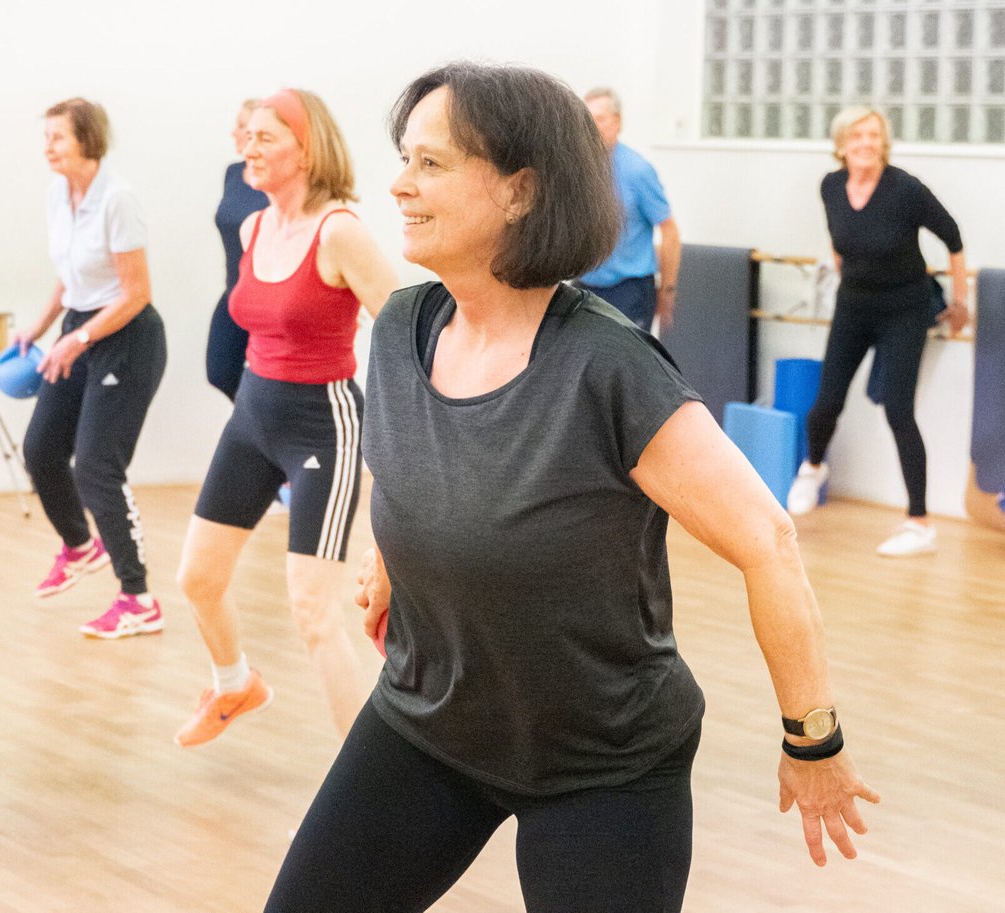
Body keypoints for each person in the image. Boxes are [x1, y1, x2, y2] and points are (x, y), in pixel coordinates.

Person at [264, 62, 878, 913]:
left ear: (520, 190)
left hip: (606, 763)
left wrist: (813, 739)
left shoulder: (609, 366)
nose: (399, 186)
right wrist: (390, 558)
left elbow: (768, 540)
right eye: (403, 159)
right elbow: (408, 470)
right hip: (429, 724)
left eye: (431, 164)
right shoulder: (402, 327)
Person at [173, 88, 396, 747]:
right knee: (198, 578)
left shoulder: (341, 231)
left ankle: (363, 797)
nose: (248, 147)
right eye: (246, 136)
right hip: (251, 417)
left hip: (320, 424)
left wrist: (408, 434)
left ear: (307, 149)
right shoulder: (254, 227)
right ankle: (234, 681)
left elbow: (404, 330)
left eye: (265, 137)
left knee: (314, 613)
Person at [14, 98, 168, 638]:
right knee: (40, 449)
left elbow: (135, 293)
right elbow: (69, 274)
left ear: (87, 140)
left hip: (127, 337)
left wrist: (76, 339)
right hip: (79, 329)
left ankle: (138, 598)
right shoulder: (59, 193)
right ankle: (80, 546)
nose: (48, 147)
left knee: (98, 467)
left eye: (58, 137)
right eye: (47, 136)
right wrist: (40, 326)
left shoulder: (118, 200)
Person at [787, 106, 968, 557]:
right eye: (857, 135)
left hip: (905, 309)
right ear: (842, 142)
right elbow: (839, 238)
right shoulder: (830, 186)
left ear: (883, 142)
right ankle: (813, 467)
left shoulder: (905, 189)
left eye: (873, 135)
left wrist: (961, 302)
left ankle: (919, 523)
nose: (866, 142)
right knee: (825, 403)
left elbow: (953, 236)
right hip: (855, 305)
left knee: (899, 412)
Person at [577, 87, 681, 333]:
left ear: (617, 122)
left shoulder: (637, 171)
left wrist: (667, 290)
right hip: (586, 286)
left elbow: (670, 231)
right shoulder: (580, 169)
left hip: (628, 290)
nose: (592, 127)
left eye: (599, 119)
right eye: (586, 120)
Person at [205, 99, 269, 401]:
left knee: (268, 374)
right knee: (219, 371)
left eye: (243, 127)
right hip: (234, 290)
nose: (235, 133)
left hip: (269, 299)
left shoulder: (276, 181)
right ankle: (256, 425)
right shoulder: (232, 173)